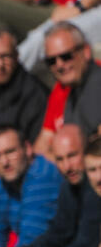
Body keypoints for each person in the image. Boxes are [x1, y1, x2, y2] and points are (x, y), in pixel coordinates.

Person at [30, 127, 101, 247]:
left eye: (72, 156)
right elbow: (59, 232)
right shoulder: (69, 189)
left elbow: (86, 245)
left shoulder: (91, 194)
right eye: (92, 170)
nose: (98, 177)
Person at [35, 22, 101, 159]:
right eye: (51, 61)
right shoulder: (69, 90)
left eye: (66, 56)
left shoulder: (97, 82)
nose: (59, 65)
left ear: (86, 51)